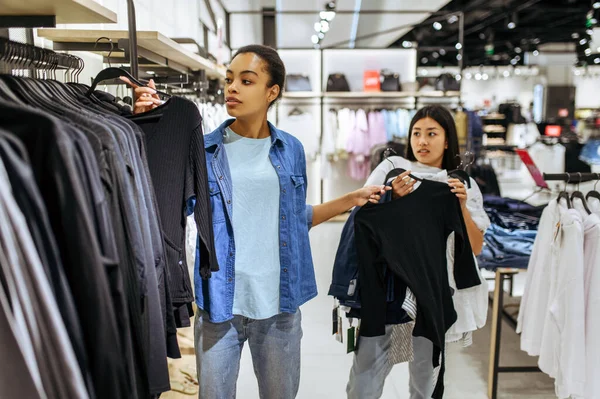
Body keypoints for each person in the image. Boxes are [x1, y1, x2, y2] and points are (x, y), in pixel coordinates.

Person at [124, 44, 389, 399]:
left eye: (246, 80)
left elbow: (294, 220)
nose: (231, 88)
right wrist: (147, 128)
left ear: (272, 91)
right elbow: (162, 207)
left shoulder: (290, 149)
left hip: (279, 306)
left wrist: (351, 199)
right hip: (220, 306)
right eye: (230, 79)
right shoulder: (201, 149)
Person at [346, 105, 490, 399]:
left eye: (432, 134)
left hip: (436, 290)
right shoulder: (393, 169)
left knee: (427, 377)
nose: (422, 142)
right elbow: (360, 216)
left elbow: (475, 247)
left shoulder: (461, 183)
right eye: (417, 133)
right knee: (367, 372)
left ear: (447, 139)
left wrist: (460, 207)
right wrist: (393, 198)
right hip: (388, 285)